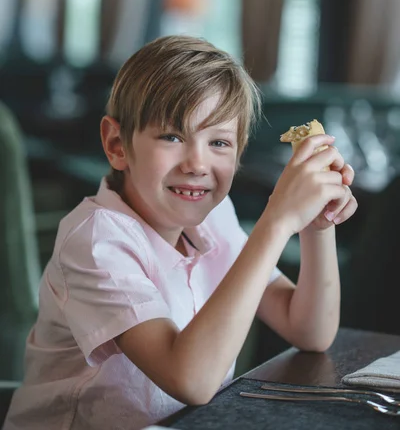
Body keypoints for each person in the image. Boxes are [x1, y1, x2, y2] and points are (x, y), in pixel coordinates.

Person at [5, 36, 357, 430]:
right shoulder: (97, 241)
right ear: (117, 144)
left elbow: (310, 331)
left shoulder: (214, 217)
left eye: (220, 142)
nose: (197, 163)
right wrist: (276, 222)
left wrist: (314, 225)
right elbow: (190, 381)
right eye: (172, 136)